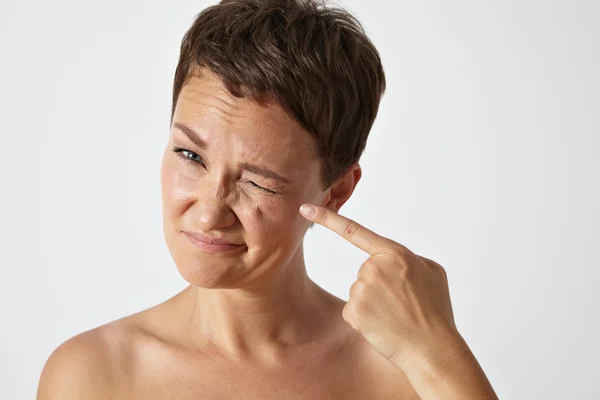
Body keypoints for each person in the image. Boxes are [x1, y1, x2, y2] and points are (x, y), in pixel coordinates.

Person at [37, 0, 498, 398]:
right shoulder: (92, 375)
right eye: (189, 154)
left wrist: (438, 354)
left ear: (337, 190)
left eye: (258, 182)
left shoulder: (404, 372)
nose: (210, 211)